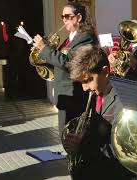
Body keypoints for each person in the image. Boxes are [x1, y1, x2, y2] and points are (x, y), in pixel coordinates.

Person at [66, 44, 135, 180]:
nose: (84, 88)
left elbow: (125, 150)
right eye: (81, 82)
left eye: (88, 80)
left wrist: (83, 143)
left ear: (105, 72)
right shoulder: (94, 91)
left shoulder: (124, 102)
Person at [33, 2, 97, 135]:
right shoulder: (71, 38)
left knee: (70, 135)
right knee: (65, 134)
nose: (64, 20)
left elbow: (70, 63)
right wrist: (42, 56)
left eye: (67, 16)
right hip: (65, 94)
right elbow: (59, 61)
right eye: (62, 16)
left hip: (74, 95)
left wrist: (44, 49)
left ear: (78, 18)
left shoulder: (85, 38)